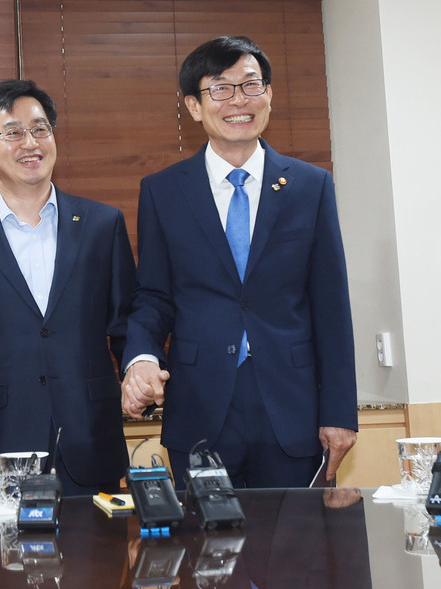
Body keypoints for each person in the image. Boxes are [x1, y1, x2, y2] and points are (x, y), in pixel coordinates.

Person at [121, 36, 357, 489]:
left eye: (251, 85)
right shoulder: (163, 191)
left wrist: (340, 412)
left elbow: (331, 305)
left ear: (269, 95)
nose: (239, 101)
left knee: (296, 554)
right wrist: (141, 359)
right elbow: (153, 295)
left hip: (294, 408)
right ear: (194, 106)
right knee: (209, 555)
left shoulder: (311, 186)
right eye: (221, 89)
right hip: (199, 408)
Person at [0, 79, 136, 500]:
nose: (31, 142)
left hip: (90, 441)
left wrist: (139, 371)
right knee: (7, 567)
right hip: (0, 445)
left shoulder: (102, 225)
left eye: (40, 129)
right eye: (13, 132)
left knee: (99, 565)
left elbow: (129, 325)